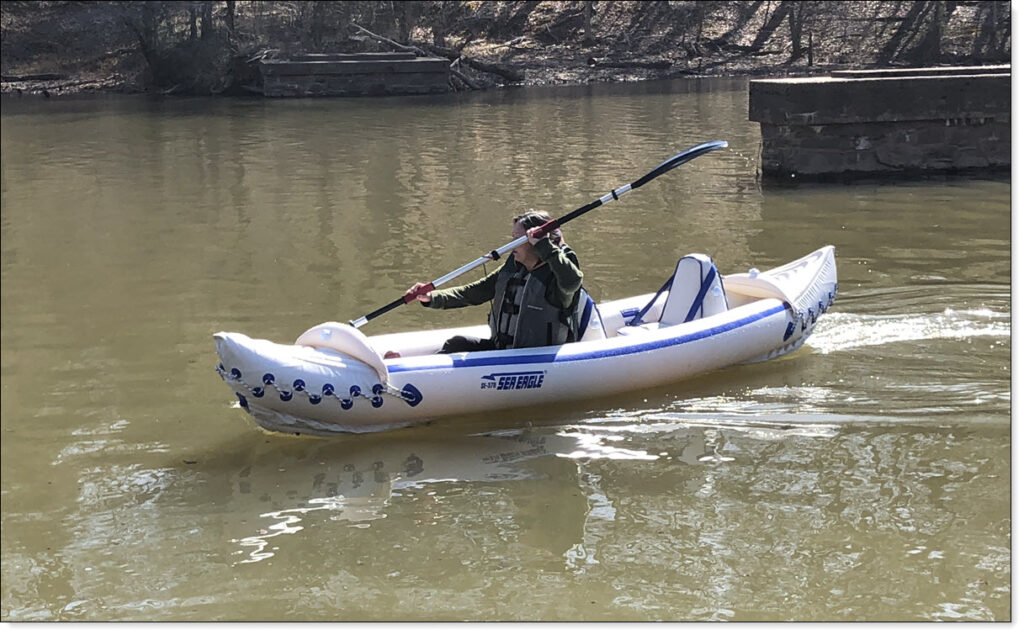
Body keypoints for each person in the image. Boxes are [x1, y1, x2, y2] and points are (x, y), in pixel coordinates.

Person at [404, 210, 587, 354]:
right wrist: (431, 297)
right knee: (457, 343)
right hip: (502, 352)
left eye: (518, 239)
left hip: (536, 358)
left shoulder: (557, 277)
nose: (510, 245)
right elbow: (474, 293)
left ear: (537, 243)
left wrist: (544, 246)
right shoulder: (514, 269)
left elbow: (573, 280)